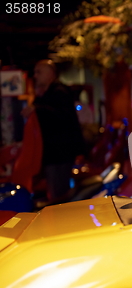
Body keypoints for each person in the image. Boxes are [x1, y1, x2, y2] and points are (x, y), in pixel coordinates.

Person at [21, 59, 85, 203]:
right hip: (56, 153)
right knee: (56, 191)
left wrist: (37, 109)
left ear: (50, 74)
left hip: (59, 153)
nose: (35, 76)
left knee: (58, 194)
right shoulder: (50, 92)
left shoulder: (59, 91)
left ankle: (62, 222)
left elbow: (61, 116)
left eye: (39, 72)